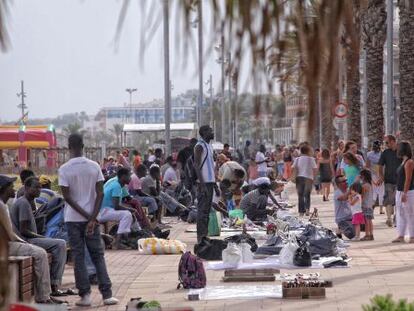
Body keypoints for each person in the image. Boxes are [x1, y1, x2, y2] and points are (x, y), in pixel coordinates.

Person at [58, 133, 118, 307]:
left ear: (69, 147)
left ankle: (85, 296)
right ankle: (107, 294)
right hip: (92, 218)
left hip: (72, 219)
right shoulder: (94, 166)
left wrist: (85, 216)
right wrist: (92, 218)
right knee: (98, 255)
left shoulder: (64, 169)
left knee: (79, 256)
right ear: (83, 146)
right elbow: (100, 193)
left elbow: (67, 198)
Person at [0, 175, 64, 304]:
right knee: (40, 253)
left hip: (11, 242)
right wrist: (23, 241)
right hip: (7, 245)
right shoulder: (6, 205)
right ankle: (43, 296)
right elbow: (11, 233)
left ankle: (48, 292)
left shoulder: (5, 205)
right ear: (3, 189)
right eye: (11, 187)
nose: (14, 190)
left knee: (46, 249)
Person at [99, 168, 134, 249]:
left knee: (128, 213)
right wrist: (130, 210)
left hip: (105, 210)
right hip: (103, 212)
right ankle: (117, 243)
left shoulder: (116, 183)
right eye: (129, 176)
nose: (130, 178)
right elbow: (117, 206)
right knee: (127, 214)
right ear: (123, 176)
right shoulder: (116, 186)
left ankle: (124, 239)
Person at [194, 125, 216, 242]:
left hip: (210, 182)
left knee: (207, 211)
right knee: (202, 210)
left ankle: (204, 235)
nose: (212, 132)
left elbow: (212, 167)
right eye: (210, 130)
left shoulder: (209, 146)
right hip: (204, 183)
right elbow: (196, 165)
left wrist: (215, 184)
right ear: (204, 132)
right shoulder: (199, 146)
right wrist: (202, 185)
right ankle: (200, 237)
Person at [392, 141, 414, 243]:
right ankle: (401, 235)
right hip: (400, 191)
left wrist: (404, 193)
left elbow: (408, 179)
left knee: (410, 213)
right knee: (400, 214)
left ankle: (412, 236)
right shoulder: (403, 161)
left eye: (399, 147)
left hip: (408, 192)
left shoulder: (409, 162)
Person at [378, 134, 401, 227]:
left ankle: (396, 218)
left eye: (387, 142)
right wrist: (381, 176)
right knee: (388, 199)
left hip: (400, 180)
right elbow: (380, 165)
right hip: (388, 180)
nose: (386, 144)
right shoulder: (385, 153)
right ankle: (389, 219)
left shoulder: (401, 151)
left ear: (393, 141)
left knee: (398, 201)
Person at [292, 144, 317, 216]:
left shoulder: (297, 159)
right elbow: (315, 169)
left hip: (299, 178)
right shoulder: (311, 159)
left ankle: (301, 212)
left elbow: (293, 168)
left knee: (300, 195)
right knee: (307, 195)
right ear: (308, 151)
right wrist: (314, 178)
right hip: (309, 178)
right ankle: (307, 210)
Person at [366, 140, 385, 215]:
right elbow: (384, 166)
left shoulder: (369, 154)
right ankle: (381, 209)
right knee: (381, 192)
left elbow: (367, 166)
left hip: (372, 174)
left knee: (373, 192)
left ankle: (372, 207)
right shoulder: (383, 154)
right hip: (381, 174)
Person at [360, 169, 374, 241]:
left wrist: (359, 203)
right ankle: (371, 234)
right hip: (370, 205)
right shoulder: (370, 184)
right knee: (370, 220)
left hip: (365, 205)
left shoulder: (364, 185)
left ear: (364, 176)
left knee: (366, 221)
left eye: (361, 176)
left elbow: (362, 196)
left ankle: (367, 234)